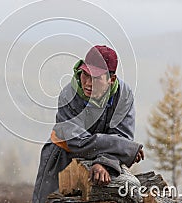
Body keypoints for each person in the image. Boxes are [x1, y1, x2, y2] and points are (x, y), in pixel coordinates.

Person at [32, 45, 144, 203]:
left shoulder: (124, 96)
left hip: (105, 157)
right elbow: (76, 141)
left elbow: (122, 134)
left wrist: (104, 162)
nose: (88, 83)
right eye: (85, 74)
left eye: (96, 78)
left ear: (111, 80)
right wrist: (125, 147)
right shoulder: (68, 94)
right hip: (62, 157)